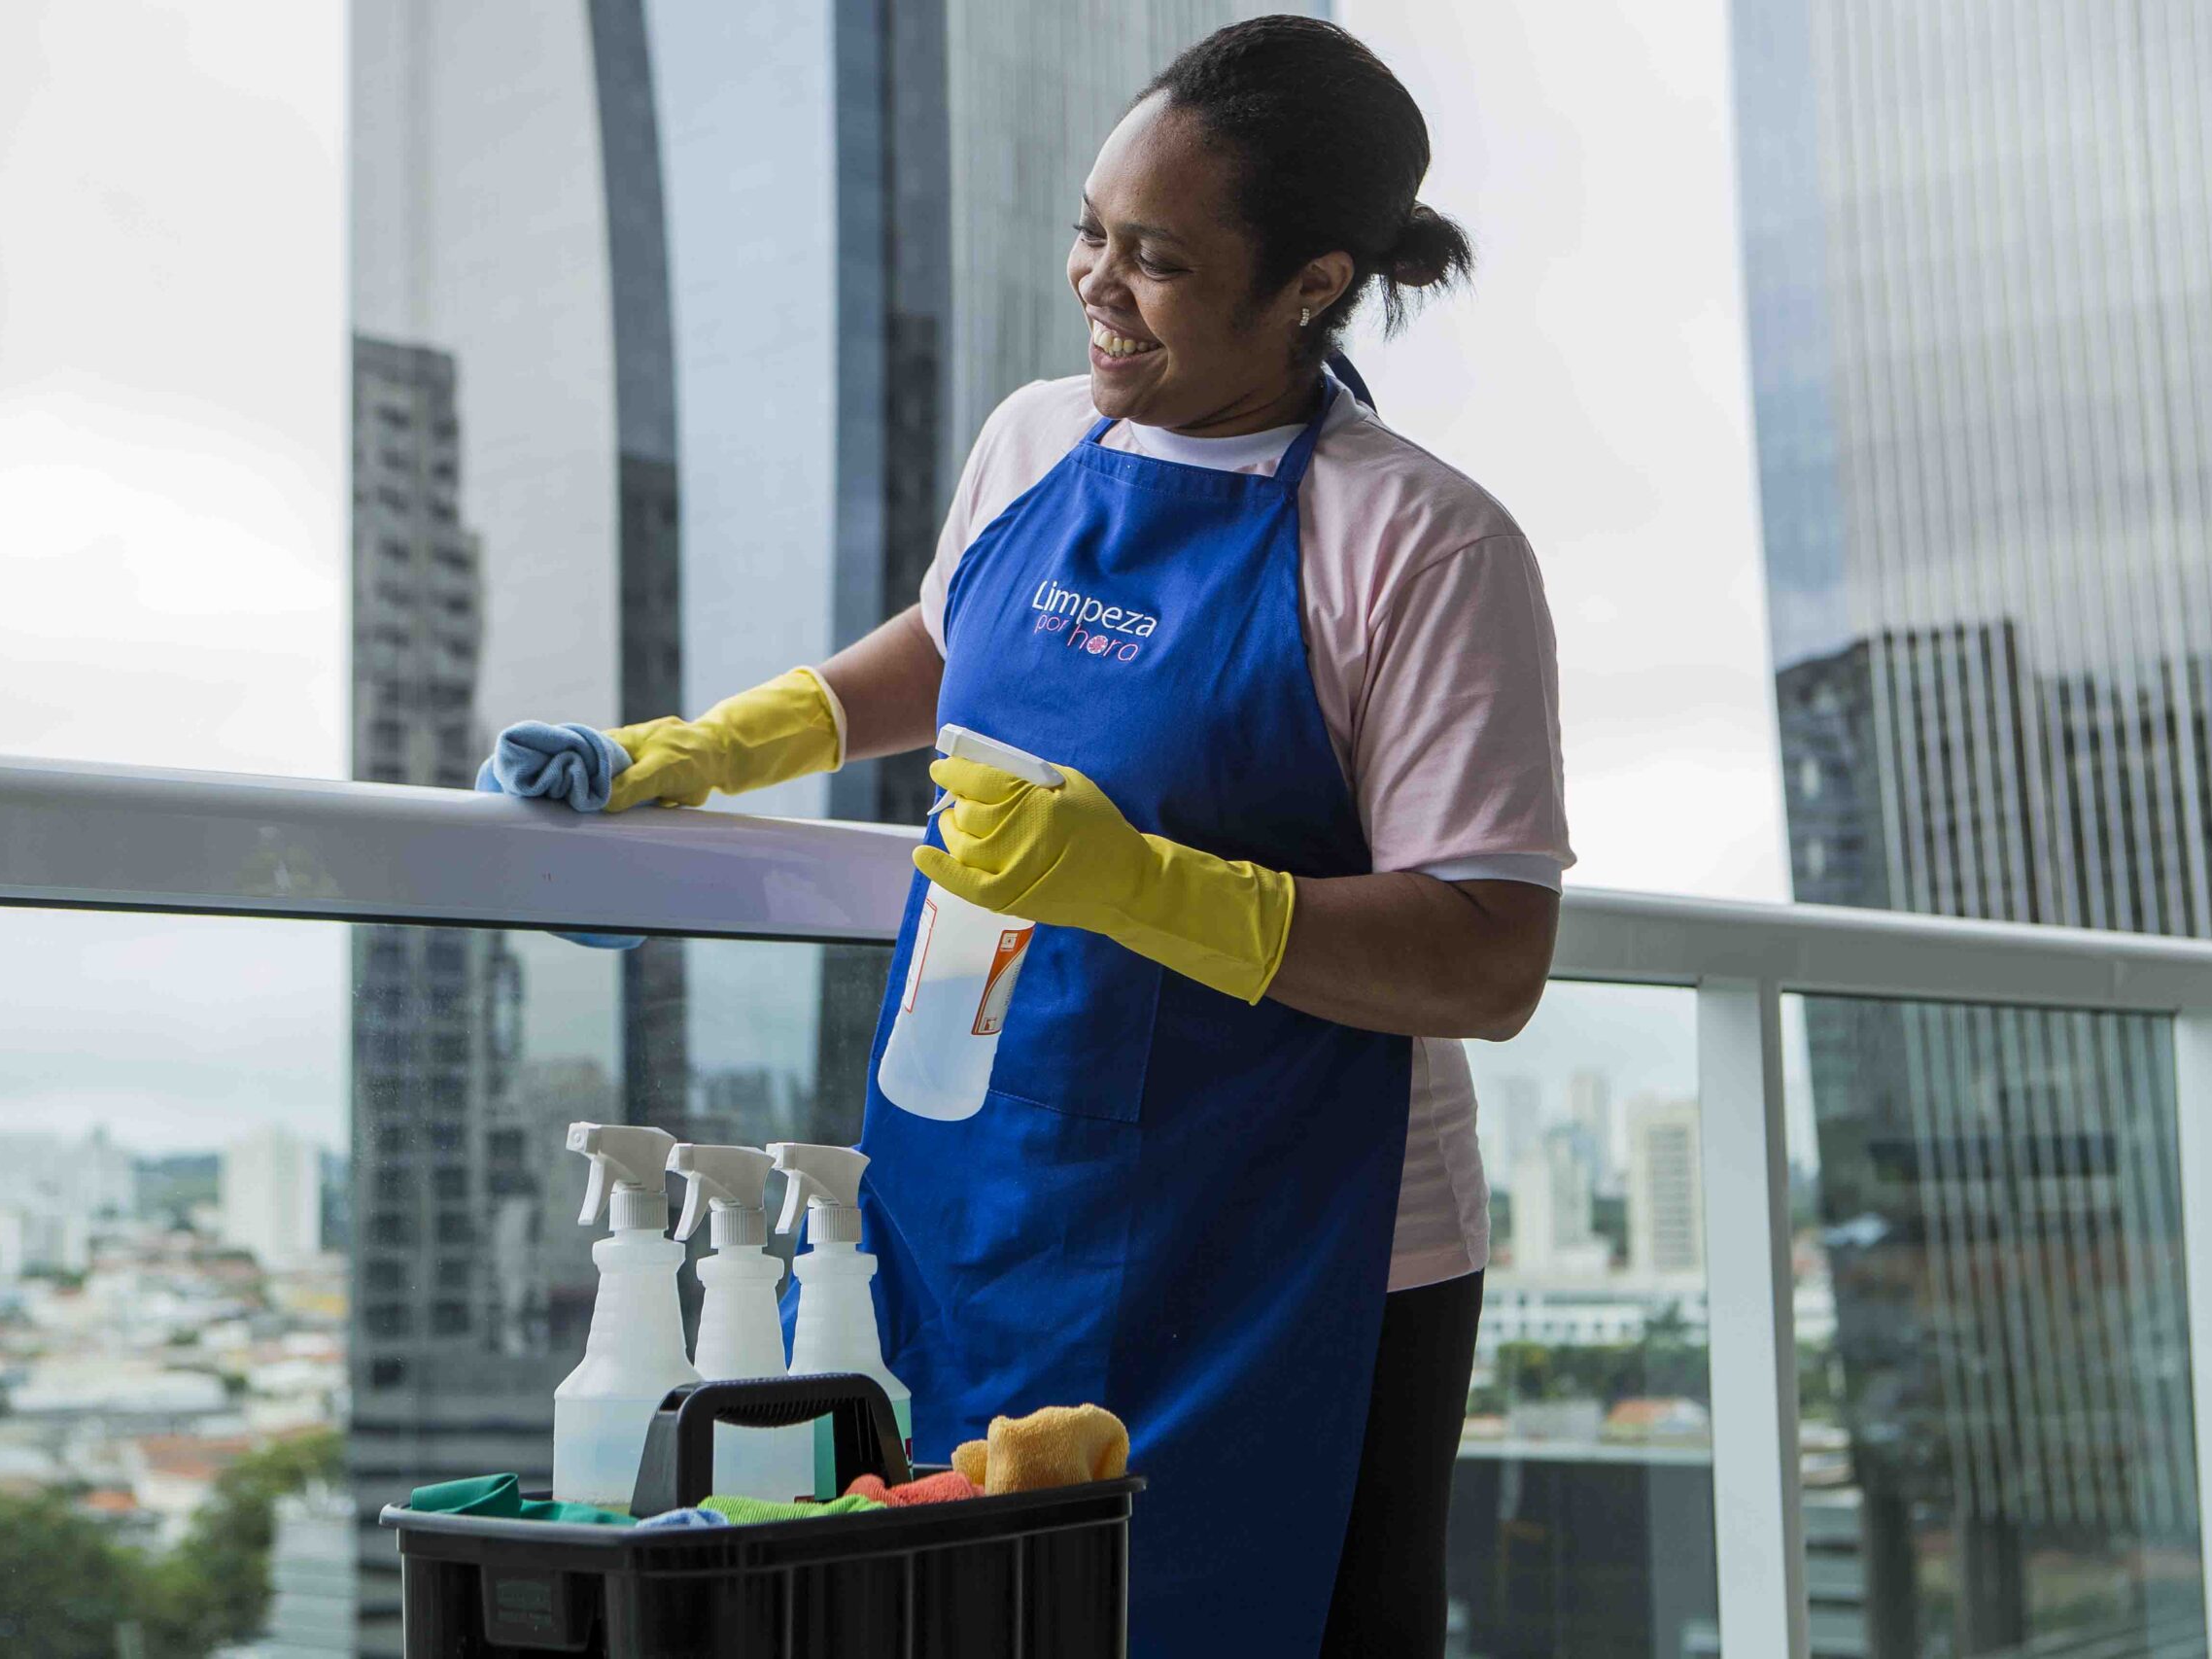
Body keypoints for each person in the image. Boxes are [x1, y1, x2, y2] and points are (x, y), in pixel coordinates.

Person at [543, 18, 1570, 1656]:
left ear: (1309, 280)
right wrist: (718, 747)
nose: (1097, 280)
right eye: (1093, 229)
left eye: (1156, 259)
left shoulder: (1422, 542)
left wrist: (1140, 886)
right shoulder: (1038, 437)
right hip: (988, 1169)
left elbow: (1489, 953)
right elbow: (950, 647)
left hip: (1304, 1239)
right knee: (970, 1614)